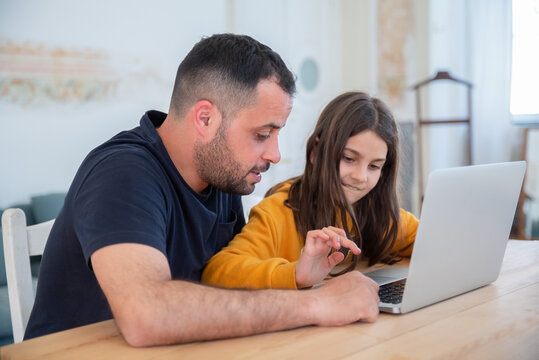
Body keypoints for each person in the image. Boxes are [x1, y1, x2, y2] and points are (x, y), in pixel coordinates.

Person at [25, 34, 380, 347]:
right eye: (261, 134)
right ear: (205, 119)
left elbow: (226, 288)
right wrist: (319, 304)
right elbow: (147, 314)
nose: (275, 154)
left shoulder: (222, 179)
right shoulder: (122, 173)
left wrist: (298, 276)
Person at [202, 91, 419, 290]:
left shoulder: (375, 212)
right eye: (349, 158)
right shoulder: (278, 211)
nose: (360, 176)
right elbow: (217, 273)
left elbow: (429, 239)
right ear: (316, 151)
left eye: (374, 166)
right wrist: (295, 274)